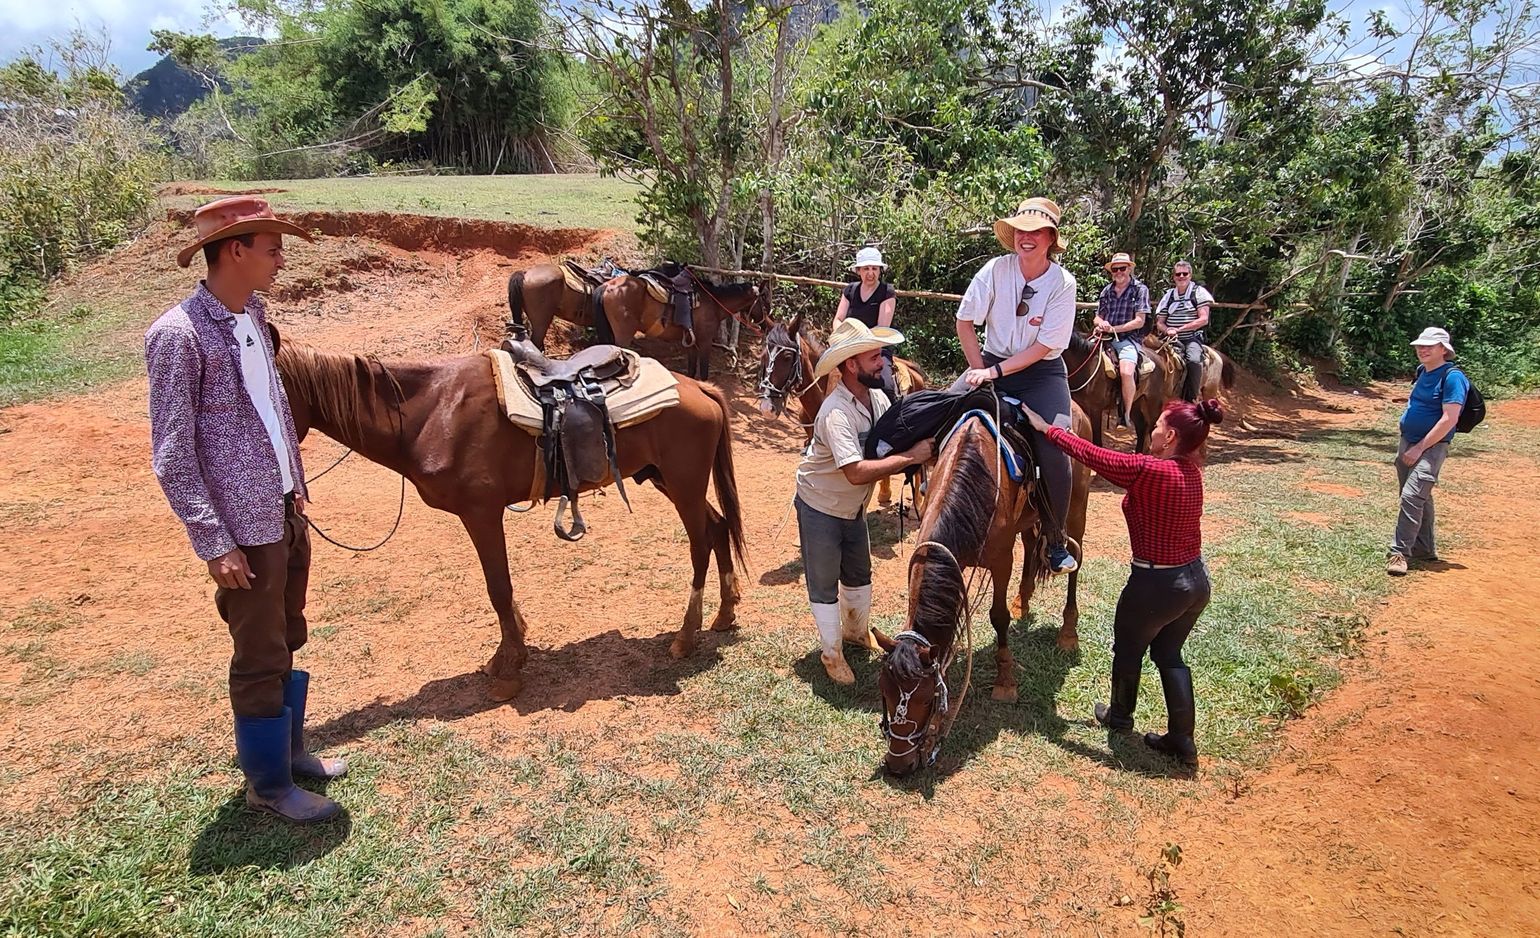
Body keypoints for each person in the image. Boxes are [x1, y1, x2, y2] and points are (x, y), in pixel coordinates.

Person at [145, 197, 347, 824]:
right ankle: (268, 784)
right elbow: (173, 451)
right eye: (271, 247)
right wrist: (213, 538)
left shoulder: (254, 316)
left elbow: (274, 409)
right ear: (235, 250)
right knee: (258, 649)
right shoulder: (178, 336)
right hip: (240, 525)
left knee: (288, 630)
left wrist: (296, 480)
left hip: (282, 506)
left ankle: (289, 755)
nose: (281, 257)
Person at [1022, 397, 1224, 768]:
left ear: (1171, 436)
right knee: (1168, 654)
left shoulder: (1150, 470)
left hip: (1155, 584)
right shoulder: (1193, 473)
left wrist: (1045, 428)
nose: (1153, 431)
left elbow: (1093, 455)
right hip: (1195, 582)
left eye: (1159, 426)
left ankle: (1119, 718)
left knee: (1128, 651)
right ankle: (1182, 740)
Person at [795, 319, 934, 684]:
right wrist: (912, 457)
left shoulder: (877, 398)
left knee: (858, 573)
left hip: (852, 506)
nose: (883, 363)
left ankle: (856, 633)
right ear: (852, 365)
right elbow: (855, 472)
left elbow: (894, 437)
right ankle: (831, 653)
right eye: (874, 357)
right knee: (824, 582)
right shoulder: (834, 412)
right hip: (821, 504)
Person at [955, 196, 1079, 575]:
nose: (1027, 237)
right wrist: (979, 369)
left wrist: (994, 375)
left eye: (1037, 231)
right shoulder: (995, 269)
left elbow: (1045, 346)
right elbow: (965, 321)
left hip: (1041, 372)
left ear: (1050, 238)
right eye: (1022, 230)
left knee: (1057, 449)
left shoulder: (1062, 282)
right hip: (989, 362)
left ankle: (1055, 538)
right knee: (939, 411)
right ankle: (931, 495)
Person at [1387, 327, 1470, 576]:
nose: (1422, 350)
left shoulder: (1453, 377)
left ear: (1443, 350)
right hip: (1408, 440)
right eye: (1420, 345)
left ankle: (1399, 553)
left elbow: (1449, 419)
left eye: (1429, 346)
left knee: (1412, 496)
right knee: (1418, 496)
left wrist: (1421, 447)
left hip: (1431, 446)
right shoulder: (1423, 371)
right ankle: (1424, 549)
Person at [1092, 252, 1151, 428]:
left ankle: (1125, 413)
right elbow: (1098, 317)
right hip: (1105, 336)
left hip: (1129, 338)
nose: (1118, 272)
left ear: (1129, 269)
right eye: (1115, 269)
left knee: (1126, 372)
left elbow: (1140, 321)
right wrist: (1102, 324)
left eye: (1122, 268)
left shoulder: (1140, 290)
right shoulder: (1106, 291)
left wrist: (1115, 329)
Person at [834, 246, 900, 401]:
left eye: (874, 268)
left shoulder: (887, 291)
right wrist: (843, 337)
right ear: (858, 271)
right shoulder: (849, 290)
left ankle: (892, 417)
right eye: (866, 269)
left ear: (879, 270)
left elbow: (882, 328)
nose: (870, 273)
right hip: (848, 347)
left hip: (877, 348)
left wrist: (860, 343)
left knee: (886, 386)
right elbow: (838, 320)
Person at [1154, 261, 1215, 402]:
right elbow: (1160, 322)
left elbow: (1203, 319)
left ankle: (1191, 399)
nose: (1181, 276)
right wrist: (1167, 329)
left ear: (1190, 275)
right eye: (1178, 274)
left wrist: (1179, 329)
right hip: (1168, 338)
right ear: (1173, 277)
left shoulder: (1198, 292)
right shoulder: (1169, 295)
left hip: (1190, 338)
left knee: (1193, 361)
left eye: (1184, 273)